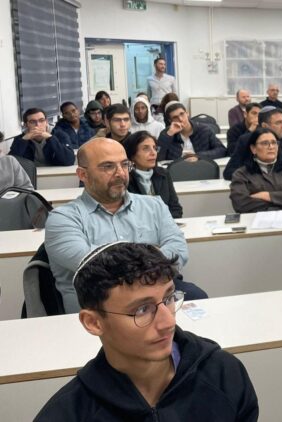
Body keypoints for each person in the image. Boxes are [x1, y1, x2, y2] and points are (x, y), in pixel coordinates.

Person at [35, 242, 259, 421]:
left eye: (169, 298)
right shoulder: (67, 414)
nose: (168, 322)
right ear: (93, 323)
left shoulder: (223, 374)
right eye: (142, 309)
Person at [45, 138, 207, 313]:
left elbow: (178, 249)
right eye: (108, 166)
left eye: (124, 165)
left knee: (197, 297)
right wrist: (152, 256)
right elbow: (95, 267)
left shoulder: (154, 206)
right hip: (100, 311)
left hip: (158, 298)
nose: (121, 173)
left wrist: (134, 266)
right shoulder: (62, 219)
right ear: (83, 175)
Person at [223, 106, 282, 180]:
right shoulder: (246, 140)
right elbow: (229, 172)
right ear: (264, 126)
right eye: (278, 123)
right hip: (256, 185)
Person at [229, 128, 282, 213]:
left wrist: (267, 195)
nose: (271, 147)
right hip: (254, 219)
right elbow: (240, 204)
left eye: (274, 143)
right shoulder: (241, 174)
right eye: (265, 143)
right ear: (253, 148)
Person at [124, 131, 183, 218]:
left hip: (165, 224)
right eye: (146, 149)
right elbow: (128, 215)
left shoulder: (163, 174)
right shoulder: (124, 179)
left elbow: (176, 209)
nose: (153, 153)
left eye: (155, 148)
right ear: (132, 154)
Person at [157, 103, 226, 161]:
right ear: (170, 121)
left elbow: (222, 150)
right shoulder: (166, 134)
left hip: (201, 167)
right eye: (175, 117)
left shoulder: (204, 130)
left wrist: (198, 156)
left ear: (187, 113)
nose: (180, 119)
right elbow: (158, 157)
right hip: (176, 170)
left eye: (182, 114)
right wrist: (168, 135)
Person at [10, 108, 75, 166]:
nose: (37, 125)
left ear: (46, 122)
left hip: (55, 172)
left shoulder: (59, 134)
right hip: (32, 173)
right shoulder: (21, 138)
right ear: (26, 125)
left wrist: (51, 138)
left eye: (41, 120)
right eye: (32, 122)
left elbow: (69, 161)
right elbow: (10, 164)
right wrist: (23, 141)